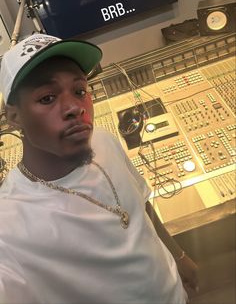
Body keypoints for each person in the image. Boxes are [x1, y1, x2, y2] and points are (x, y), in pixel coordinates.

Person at [0, 33, 198, 304]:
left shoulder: (103, 140)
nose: (74, 108)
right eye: (47, 98)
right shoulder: (9, 228)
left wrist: (178, 256)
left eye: (80, 91)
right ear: (14, 116)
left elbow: (139, 205)